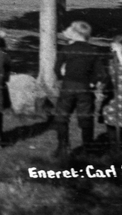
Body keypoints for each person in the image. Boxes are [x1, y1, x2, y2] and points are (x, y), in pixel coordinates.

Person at [52, 20, 106, 156]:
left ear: (75, 33)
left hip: (68, 86)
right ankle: (88, 148)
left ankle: (63, 146)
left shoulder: (67, 49)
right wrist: (92, 83)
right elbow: (101, 73)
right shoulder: (93, 51)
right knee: (86, 117)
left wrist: (61, 75)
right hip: (85, 87)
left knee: (62, 116)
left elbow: (56, 68)